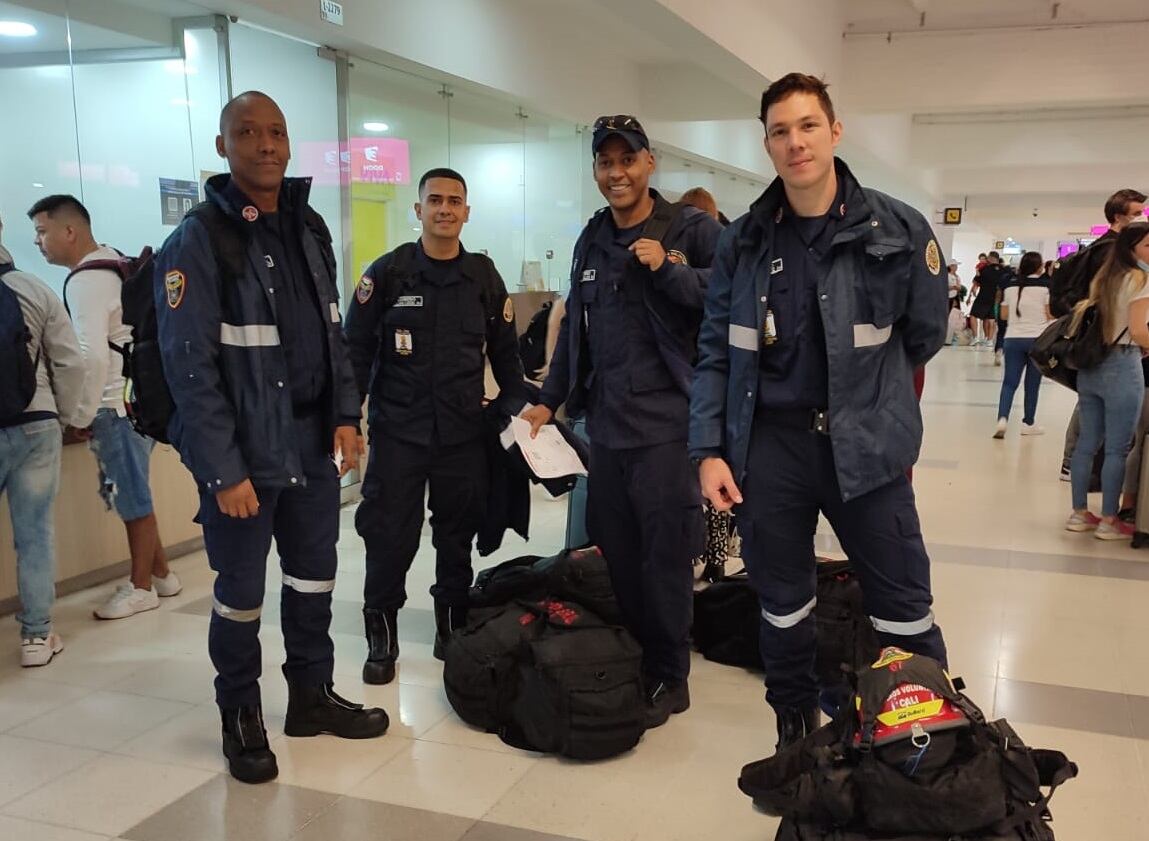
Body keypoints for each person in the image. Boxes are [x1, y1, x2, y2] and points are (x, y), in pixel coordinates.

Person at [689, 73, 948, 750]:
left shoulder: (898, 229)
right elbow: (715, 351)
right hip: (771, 448)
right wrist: (707, 450)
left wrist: (878, 403)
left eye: (807, 126)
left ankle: (920, 740)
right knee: (781, 602)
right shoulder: (744, 241)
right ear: (767, 144)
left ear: (834, 131)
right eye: (780, 131)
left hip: (867, 448)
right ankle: (794, 721)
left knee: (902, 603)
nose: (795, 142)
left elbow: (924, 334)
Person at [154, 91, 388, 784]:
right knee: (240, 595)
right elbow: (189, 368)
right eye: (248, 132)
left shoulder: (308, 226)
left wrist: (346, 415)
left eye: (277, 132)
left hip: (312, 443)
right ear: (222, 146)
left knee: (314, 577)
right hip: (245, 454)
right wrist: (223, 470)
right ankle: (240, 714)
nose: (265, 144)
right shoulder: (198, 238)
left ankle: (311, 696)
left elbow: (331, 331)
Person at [521, 114, 723, 728]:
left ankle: (671, 673)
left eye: (627, 160)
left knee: (666, 557)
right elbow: (574, 335)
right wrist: (549, 399)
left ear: (649, 163)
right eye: (606, 163)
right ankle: (637, 655)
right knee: (618, 551)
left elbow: (731, 296)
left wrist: (669, 269)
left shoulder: (691, 229)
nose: (617, 173)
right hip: (606, 430)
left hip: (667, 427)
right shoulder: (591, 238)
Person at [344, 167, 529, 685]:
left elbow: (507, 355)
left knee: (456, 532)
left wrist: (516, 409)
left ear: (467, 211)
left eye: (454, 201)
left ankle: (451, 623)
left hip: (462, 434)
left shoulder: (483, 277)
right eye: (435, 200)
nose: (444, 209)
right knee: (389, 534)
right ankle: (381, 629)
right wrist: (346, 419)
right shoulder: (388, 273)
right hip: (399, 433)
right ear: (418, 209)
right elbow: (354, 353)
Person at [27, 195, 181, 619]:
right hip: (137, 400)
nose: (38, 242)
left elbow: (91, 357)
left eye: (42, 231)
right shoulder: (113, 262)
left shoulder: (84, 281)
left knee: (133, 500)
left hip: (114, 406)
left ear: (69, 231)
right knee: (136, 492)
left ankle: (140, 588)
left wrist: (79, 415)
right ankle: (163, 576)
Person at [0, 215, 87, 666]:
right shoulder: (33, 289)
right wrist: (66, 416)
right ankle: (36, 637)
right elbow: (70, 362)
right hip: (36, 422)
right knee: (34, 535)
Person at [1057, 189, 1148, 480]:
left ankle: (1078, 464)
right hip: (1106, 339)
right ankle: (1075, 463)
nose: (1142, 218)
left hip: (1101, 337)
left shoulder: (1105, 248)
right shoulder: (1110, 251)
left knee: (1092, 401)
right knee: (1093, 404)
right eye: (1137, 213)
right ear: (1119, 217)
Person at [1067, 222, 1149, 540]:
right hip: (1123, 364)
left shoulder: (1104, 277)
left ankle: (1079, 513)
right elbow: (1138, 330)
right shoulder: (1142, 279)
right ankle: (1109, 520)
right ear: (1131, 249)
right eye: (1148, 246)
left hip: (1092, 365)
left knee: (1087, 443)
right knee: (1117, 448)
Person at [993, 252, 1052, 439]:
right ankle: (1028, 423)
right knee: (1032, 384)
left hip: (1012, 339)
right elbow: (1049, 314)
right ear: (1039, 267)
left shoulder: (1010, 287)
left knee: (1009, 383)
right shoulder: (1045, 287)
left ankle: (1002, 419)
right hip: (1037, 340)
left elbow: (1003, 315)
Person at [968, 251, 1007, 350]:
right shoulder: (1004, 270)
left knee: (973, 315)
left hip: (983, 296)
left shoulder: (984, 269)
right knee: (990, 319)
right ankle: (989, 340)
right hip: (997, 298)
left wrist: (973, 291)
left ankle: (975, 337)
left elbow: (976, 281)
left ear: (991, 258)